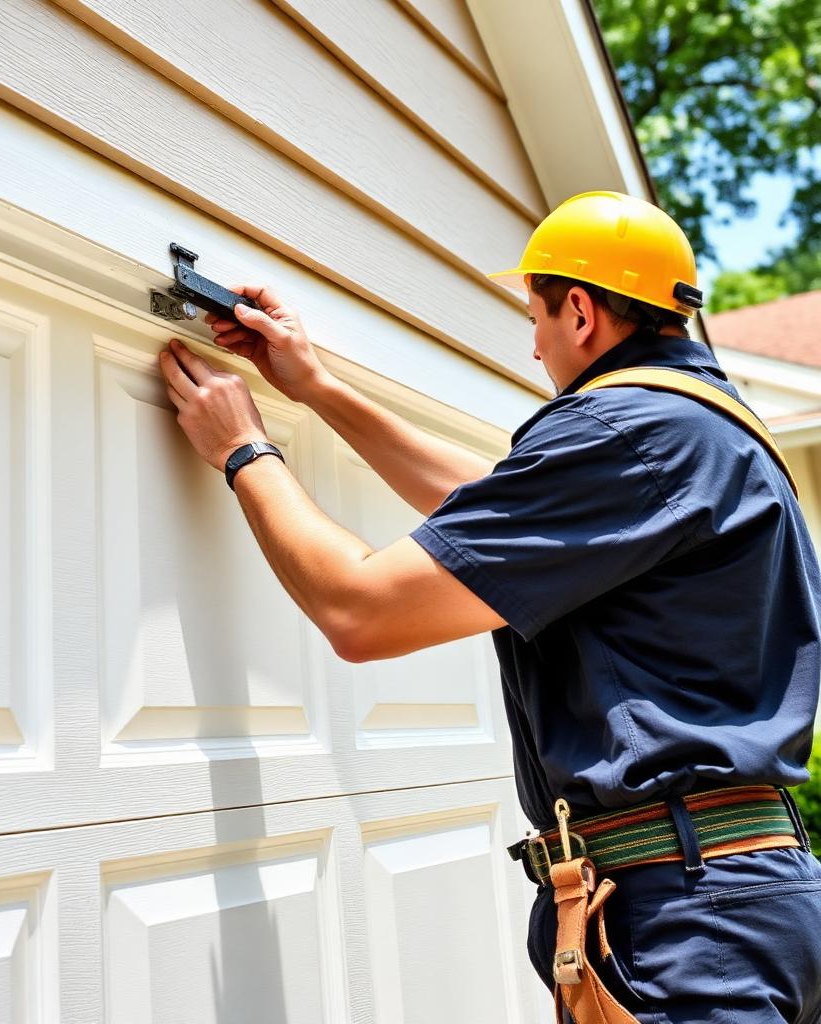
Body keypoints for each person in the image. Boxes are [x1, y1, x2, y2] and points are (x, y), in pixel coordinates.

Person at [157, 190, 821, 1023]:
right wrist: (317, 386)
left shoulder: (624, 433)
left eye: (537, 317)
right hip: (739, 895)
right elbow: (493, 514)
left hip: (687, 920)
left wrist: (245, 449)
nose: (534, 344)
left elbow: (360, 611)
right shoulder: (713, 435)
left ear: (580, 312)